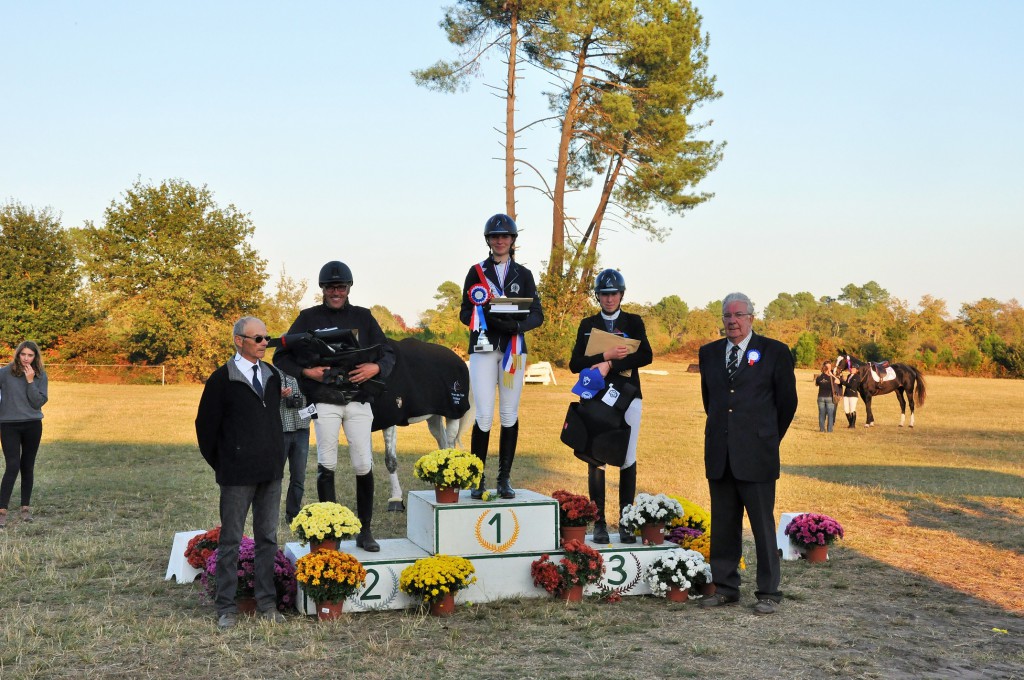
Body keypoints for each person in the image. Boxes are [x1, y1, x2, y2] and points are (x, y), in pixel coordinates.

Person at [273, 260, 395, 552]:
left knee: (363, 462)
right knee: (327, 462)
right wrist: (306, 372)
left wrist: (375, 369)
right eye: (330, 287)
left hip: (359, 398)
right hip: (326, 399)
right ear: (323, 289)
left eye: (340, 286)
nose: (336, 291)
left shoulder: (364, 318)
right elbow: (281, 355)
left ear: (349, 288)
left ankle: (365, 530)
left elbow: (389, 350)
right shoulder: (307, 317)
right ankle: (330, 530)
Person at [697, 293, 797, 615]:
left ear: (752, 318)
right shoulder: (709, 354)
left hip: (757, 454)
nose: (732, 321)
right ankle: (725, 587)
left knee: (763, 527)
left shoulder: (775, 352)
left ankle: (768, 592)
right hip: (720, 454)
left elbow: (787, 403)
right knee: (724, 524)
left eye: (739, 315)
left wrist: (766, 437)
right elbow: (709, 400)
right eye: (727, 315)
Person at [195, 317, 286, 629]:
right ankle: (226, 607)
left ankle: (267, 602)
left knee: (268, 538)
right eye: (257, 338)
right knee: (231, 540)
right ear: (238, 341)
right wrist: (224, 463)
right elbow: (205, 428)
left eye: (266, 338)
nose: (264, 343)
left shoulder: (273, 375)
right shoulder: (222, 379)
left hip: (271, 472)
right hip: (236, 475)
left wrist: (277, 455)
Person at [459, 214, 543, 499]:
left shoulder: (525, 275)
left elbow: (537, 314)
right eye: (495, 237)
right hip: (484, 348)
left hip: (514, 348)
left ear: (512, 240)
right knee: (483, 414)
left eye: (505, 236)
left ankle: (504, 478)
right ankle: (477, 477)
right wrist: (486, 319)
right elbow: (464, 311)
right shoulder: (476, 272)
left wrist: (516, 326)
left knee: (509, 413)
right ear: (488, 241)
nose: (500, 241)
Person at [568, 269, 653, 544]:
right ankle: (600, 522)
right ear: (598, 296)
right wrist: (603, 356)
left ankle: (626, 521)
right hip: (595, 396)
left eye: (613, 293)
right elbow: (574, 364)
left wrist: (612, 364)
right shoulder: (587, 324)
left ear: (621, 294)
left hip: (628, 394)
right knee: (597, 457)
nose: (609, 298)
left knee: (628, 455)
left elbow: (646, 355)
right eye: (604, 294)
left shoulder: (634, 321)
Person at [0, 341, 48, 529]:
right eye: (23, 354)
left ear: (35, 357)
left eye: (30, 355)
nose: (26, 358)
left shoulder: (40, 375)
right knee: (12, 466)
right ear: (17, 354)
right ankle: (2, 510)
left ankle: (25, 508)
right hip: (9, 425)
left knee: (27, 466)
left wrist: (30, 381)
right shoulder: (4, 373)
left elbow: (37, 403)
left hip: (32, 425)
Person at [277, 371, 310, 524]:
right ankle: (270, 512)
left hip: (302, 429)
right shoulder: (273, 372)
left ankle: (293, 514)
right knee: (275, 476)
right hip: (281, 430)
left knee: (299, 476)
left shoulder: (307, 372)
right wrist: (279, 395)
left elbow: (314, 400)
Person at [814, 361, 840, 433]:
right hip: (829, 397)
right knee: (830, 414)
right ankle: (829, 430)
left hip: (820, 397)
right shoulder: (831, 378)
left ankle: (822, 429)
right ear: (828, 369)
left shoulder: (819, 377)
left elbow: (816, 384)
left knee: (821, 414)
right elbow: (838, 381)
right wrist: (832, 375)